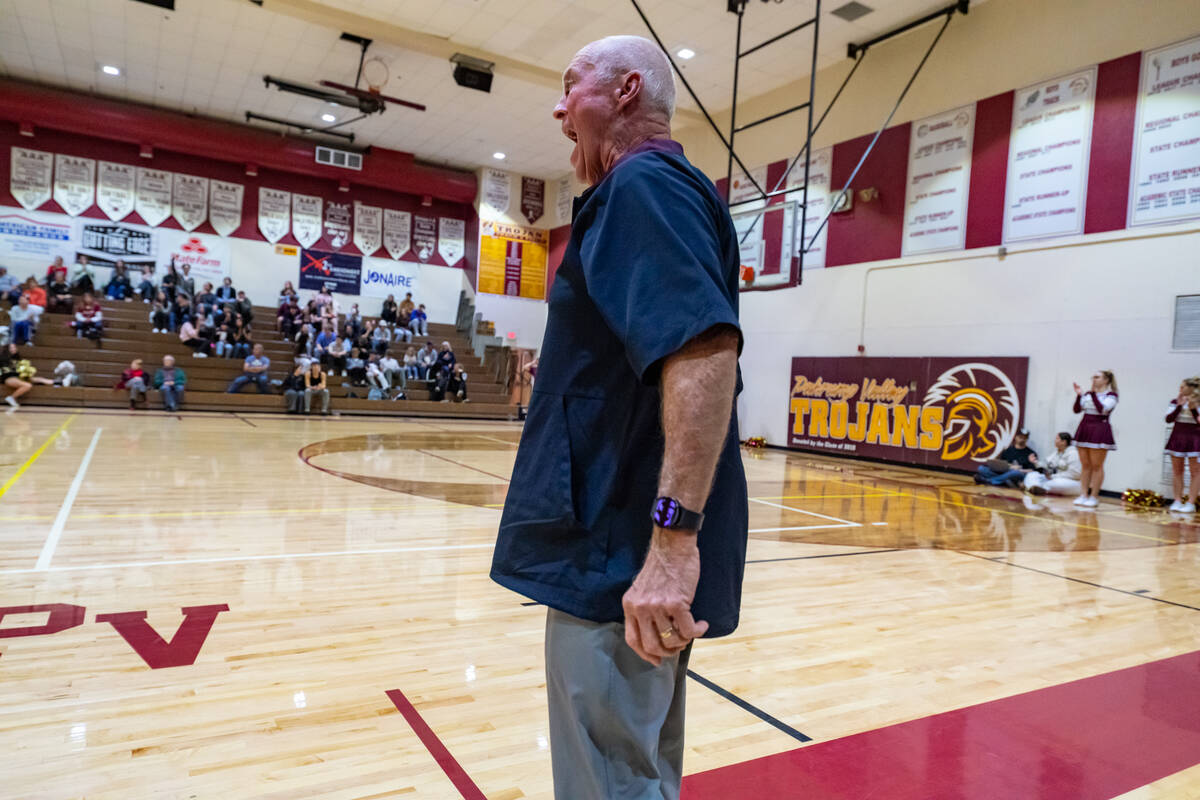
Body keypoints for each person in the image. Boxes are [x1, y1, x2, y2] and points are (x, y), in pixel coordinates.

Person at [489, 36, 746, 800]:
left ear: (629, 90)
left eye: (572, 87)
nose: (559, 107)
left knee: (609, 780)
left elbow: (703, 351)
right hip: (622, 552)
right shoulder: (649, 191)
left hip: (624, 559)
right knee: (636, 775)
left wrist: (670, 546)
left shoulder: (643, 187)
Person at [1072, 370, 1118, 508]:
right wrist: (1079, 395)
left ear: (1106, 381)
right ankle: (1083, 494)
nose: (1094, 379)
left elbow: (1102, 410)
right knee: (1085, 465)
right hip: (1084, 428)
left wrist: (1092, 394)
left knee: (1097, 466)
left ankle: (1094, 496)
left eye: (1097, 377)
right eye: (1093, 377)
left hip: (1099, 429)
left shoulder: (1111, 395)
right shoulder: (1087, 394)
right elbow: (1077, 410)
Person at [1165, 376, 1200, 513]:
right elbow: (1168, 419)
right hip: (1177, 438)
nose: (1180, 389)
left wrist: (1192, 409)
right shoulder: (1175, 401)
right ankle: (1177, 500)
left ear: (1192, 388)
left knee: (1195, 471)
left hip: (1195, 439)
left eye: (1183, 386)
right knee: (1177, 470)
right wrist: (1179, 406)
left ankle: (1191, 502)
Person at [973, 429, 1038, 487]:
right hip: (1005, 472)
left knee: (1015, 472)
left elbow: (1033, 470)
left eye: (1025, 438)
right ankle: (1003, 481)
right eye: (1020, 437)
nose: (1022, 440)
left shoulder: (1031, 453)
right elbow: (1001, 465)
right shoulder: (1008, 450)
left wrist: (1019, 470)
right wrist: (1009, 466)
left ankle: (989, 480)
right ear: (1016, 437)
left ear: (1027, 439)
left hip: (1019, 474)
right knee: (981, 468)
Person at [1, 343, 33, 408]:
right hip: (8, 378)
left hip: (17, 377)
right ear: (7, 349)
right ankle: (11, 397)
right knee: (27, 385)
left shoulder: (18, 359)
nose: (14, 349)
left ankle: (56, 382)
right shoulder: (2, 359)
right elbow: (5, 371)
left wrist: (26, 371)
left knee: (37, 379)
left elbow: (21, 369)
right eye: (11, 348)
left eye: (14, 347)